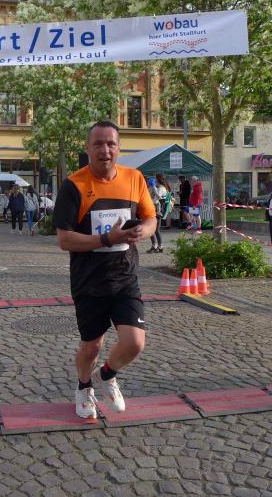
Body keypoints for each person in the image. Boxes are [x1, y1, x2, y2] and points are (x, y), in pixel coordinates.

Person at [53, 120, 157, 420]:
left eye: (111, 143)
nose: (105, 150)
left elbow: (150, 218)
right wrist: (107, 238)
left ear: (119, 148)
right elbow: (64, 239)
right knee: (91, 347)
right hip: (89, 281)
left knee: (135, 342)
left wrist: (144, 231)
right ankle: (84, 386)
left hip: (125, 277)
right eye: (98, 144)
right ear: (87, 148)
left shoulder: (134, 178)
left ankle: (107, 374)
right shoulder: (73, 185)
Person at [147, 177, 165, 253]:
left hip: (155, 211)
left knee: (152, 229)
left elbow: (156, 199)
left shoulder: (159, 188)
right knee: (156, 230)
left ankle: (155, 245)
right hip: (157, 211)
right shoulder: (159, 188)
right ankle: (159, 246)